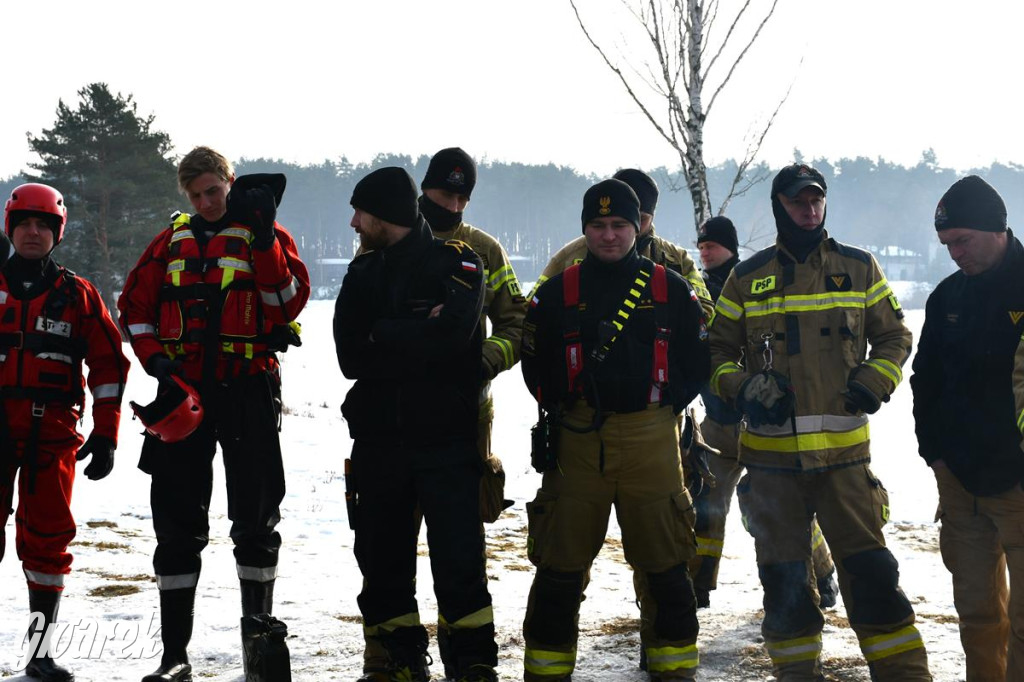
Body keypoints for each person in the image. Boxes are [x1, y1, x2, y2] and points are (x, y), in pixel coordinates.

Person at [708, 163, 930, 680]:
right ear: (778, 206)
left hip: (845, 467)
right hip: (771, 472)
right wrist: (743, 386)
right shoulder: (745, 278)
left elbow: (896, 336)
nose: (809, 210)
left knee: (874, 580)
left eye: (816, 201)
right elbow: (716, 352)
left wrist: (876, 378)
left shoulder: (859, 267)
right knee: (785, 592)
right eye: (797, 202)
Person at [119, 146, 310, 682]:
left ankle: (259, 652)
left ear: (230, 182)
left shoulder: (262, 234)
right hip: (183, 396)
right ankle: (174, 656)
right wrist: (157, 364)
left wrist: (268, 238)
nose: (206, 202)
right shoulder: (169, 243)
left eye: (214, 191)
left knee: (255, 523)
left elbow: (288, 301)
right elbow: (133, 309)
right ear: (186, 195)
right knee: (176, 527)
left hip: (248, 391)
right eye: (196, 195)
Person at [521, 178, 709, 681]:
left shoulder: (671, 288)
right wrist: (558, 405)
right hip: (577, 441)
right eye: (598, 226)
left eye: (619, 225)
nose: (609, 236)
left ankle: (673, 671)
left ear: (638, 226)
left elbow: (698, 359)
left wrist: (666, 406)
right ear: (585, 229)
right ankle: (545, 671)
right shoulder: (558, 291)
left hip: (652, 437)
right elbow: (533, 360)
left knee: (667, 568)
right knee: (559, 570)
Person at [334, 167, 499, 682]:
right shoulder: (362, 274)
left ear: (385, 215)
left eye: (361, 212)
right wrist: (411, 329)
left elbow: (451, 338)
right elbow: (349, 357)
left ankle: (472, 663)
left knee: (459, 563)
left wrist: (383, 332)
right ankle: (399, 663)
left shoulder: (461, 265)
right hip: (379, 444)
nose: (355, 222)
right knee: (382, 565)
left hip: (446, 442)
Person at [0, 183, 129, 682]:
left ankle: (39, 653)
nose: (33, 233)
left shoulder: (77, 295)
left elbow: (109, 365)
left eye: (43, 226)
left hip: (49, 434)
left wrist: (107, 431)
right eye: (24, 224)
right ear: (11, 229)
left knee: (48, 543)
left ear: (57, 233)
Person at [688, 216, 837, 610]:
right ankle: (698, 584)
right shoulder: (695, 291)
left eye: (713, 245)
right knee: (705, 502)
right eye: (701, 245)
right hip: (718, 422)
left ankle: (821, 577)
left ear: (732, 248)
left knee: (783, 506)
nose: (705, 250)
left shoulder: (751, 285)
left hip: (764, 424)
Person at [914, 175, 1024, 680]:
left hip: (1018, 483)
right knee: (977, 613)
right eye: (946, 244)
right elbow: (925, 381)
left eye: (963, 240)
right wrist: (934, 453)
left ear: (997, 228)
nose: (955, 253)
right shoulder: (946, 298)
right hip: (959, 482)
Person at [417, 147, 525, 519]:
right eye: (447, 195)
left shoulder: (486, 249)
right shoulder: (392, 238)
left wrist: (482, 361)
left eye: (463, 198)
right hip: (400, 413)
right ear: (426, 188)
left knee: (463, 532)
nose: (455, 206)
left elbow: (516, 324)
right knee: (392, 536)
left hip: (470, 412)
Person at [532, 168, 714, 320]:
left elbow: (705, 312)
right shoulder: (569, 257)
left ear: (653, 216)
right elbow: (532, 311)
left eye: (641, 219)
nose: (611, 236)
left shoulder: (676, 258)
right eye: (602, 224)